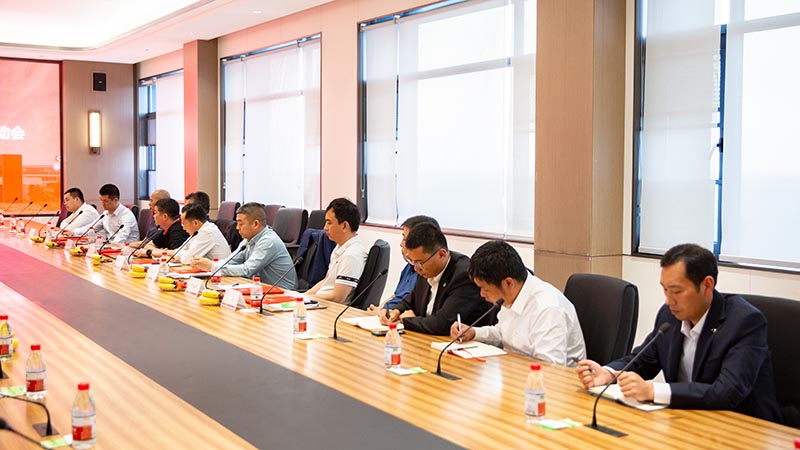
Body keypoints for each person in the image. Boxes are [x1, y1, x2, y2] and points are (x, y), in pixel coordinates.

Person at [575, 243, 782, 423]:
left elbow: (727, 391)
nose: (668, 300)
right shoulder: (669, 316)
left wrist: (652, 391)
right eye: (665, 290)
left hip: (742, 427)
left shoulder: (745, 322)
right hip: (689, 421)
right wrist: (609, 373)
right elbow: (643, 360)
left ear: (707, 285)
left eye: (676, 291)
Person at [448, 240, 585, 366]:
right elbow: (503, 333)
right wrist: (474, 333)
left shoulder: (548, 308)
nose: (482, 294)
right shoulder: (511, 295)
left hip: (553, 381)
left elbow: (549, 366)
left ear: (508, 283)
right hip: (517, 372)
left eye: (485, 289)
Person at [382, 222, 492, 335]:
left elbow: (442, 324)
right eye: (412, 261)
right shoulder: (425, 268)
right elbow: (411, 299)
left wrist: (406, 320)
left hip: (455, 342)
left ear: (442, 254)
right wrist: (396, 311)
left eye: (419, 262)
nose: (416, 268)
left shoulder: (463, 275)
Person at [191, 202, 297, 290]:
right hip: (261, 290)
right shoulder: (248, 240)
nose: (237, 228)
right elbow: (230, 261)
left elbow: (247, 270)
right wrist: (207, 264)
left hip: (283, 293)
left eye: (240, 224)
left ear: (255, 224)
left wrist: (212, 266)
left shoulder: (268, 241)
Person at [366, 215, 438, 315]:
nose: (401, 244)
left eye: (404, 239)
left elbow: (412, 309)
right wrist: (380, 308)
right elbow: (395, 295)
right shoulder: (408, 267)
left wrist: (384, 313)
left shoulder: (424, 273)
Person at [306, 198, 368, 303]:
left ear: (344, 226)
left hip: (329, 308)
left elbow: (338, 298)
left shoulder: (351, 256)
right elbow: (326, 281)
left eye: (329, 223)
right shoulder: (340, 247)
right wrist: (303, 296)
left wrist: (309, 298)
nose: (325, 228)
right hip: (319, 302)